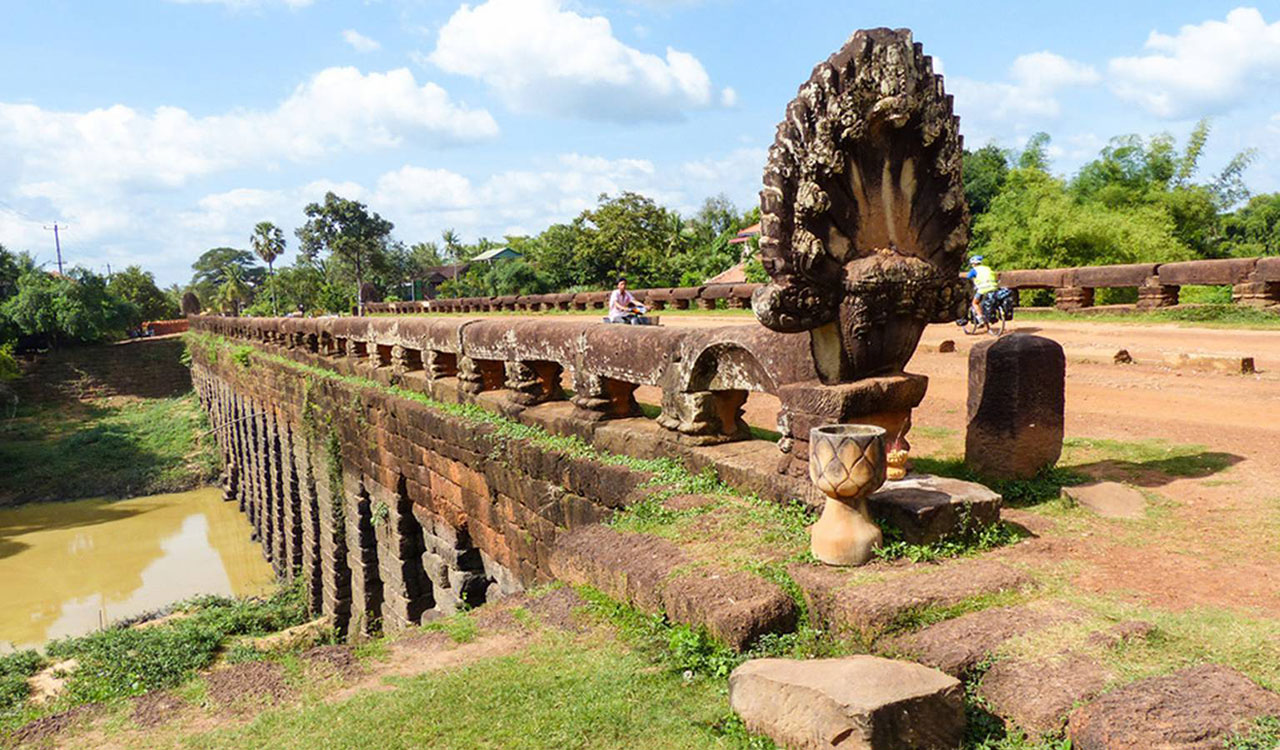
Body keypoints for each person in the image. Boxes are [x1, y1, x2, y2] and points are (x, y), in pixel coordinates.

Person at [967, 255, 998, 326]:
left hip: (983, 288)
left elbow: (968, 278)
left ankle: (981, 319)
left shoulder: (974, 270)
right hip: (993, 287)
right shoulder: (987, 268)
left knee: (975, 303)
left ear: (974, 264)